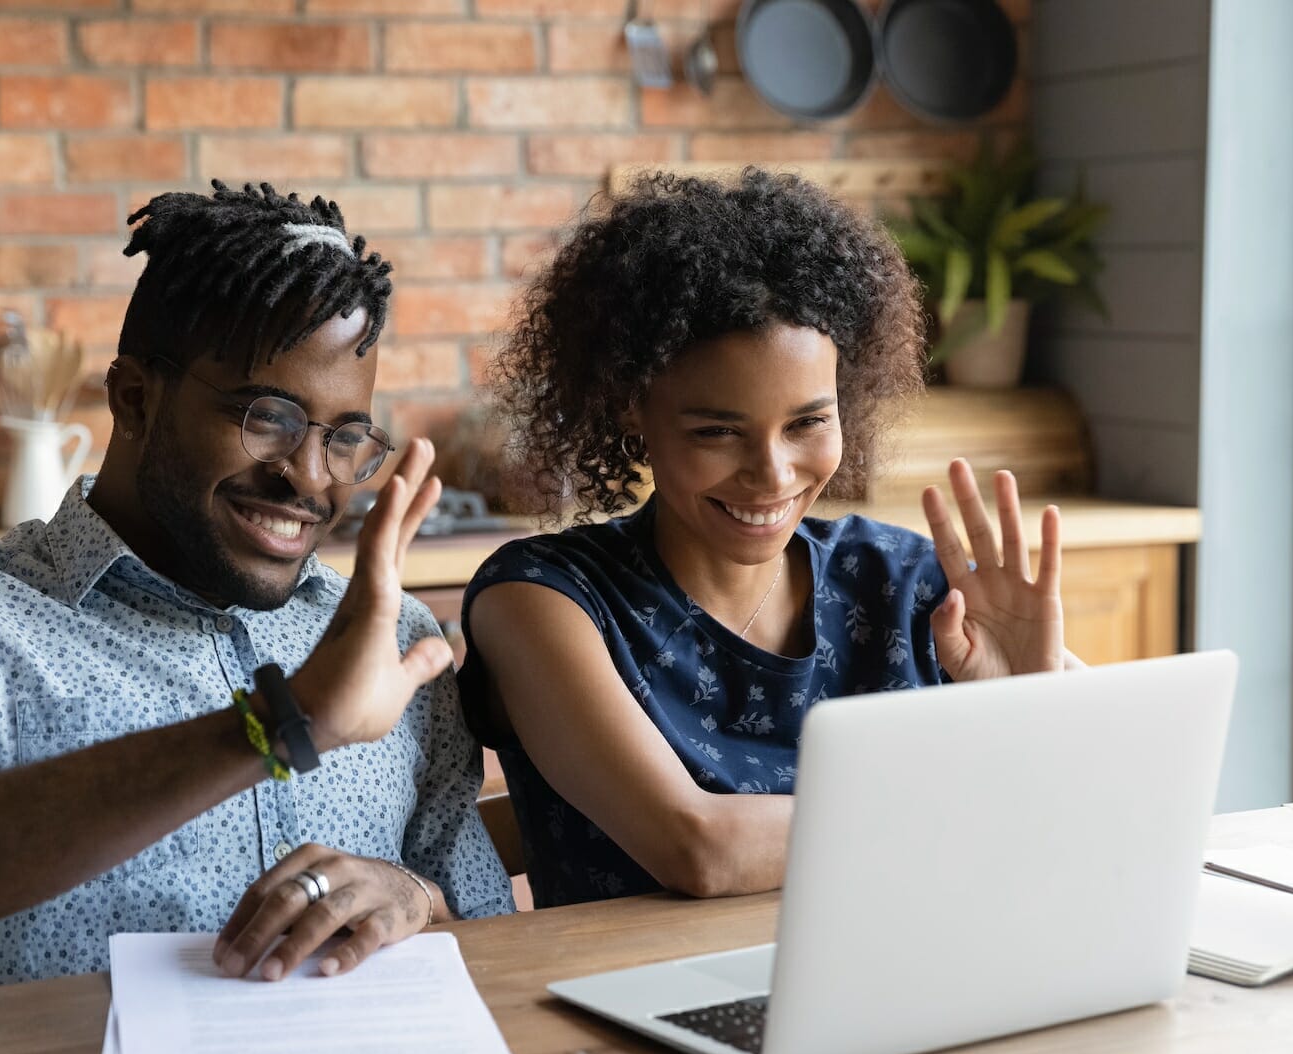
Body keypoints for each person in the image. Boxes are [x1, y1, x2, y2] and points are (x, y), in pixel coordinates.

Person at [0, 181, 514, 989]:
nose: (309, 478)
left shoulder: (391, 640)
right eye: (266, 417)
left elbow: (486, 931)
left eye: (345, 438)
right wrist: (278, 723)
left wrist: (412, 896)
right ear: (134, 398)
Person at [457, 170, 1071, 908]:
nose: (771, 473)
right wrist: (992, 782)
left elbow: (1115, 799)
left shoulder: (904, 581)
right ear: (630, 409)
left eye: (808, 423)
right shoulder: (545, 599)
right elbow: (701, 847)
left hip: (894, 983)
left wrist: (1038, 709)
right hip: (631, 999)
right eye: (717, 431)